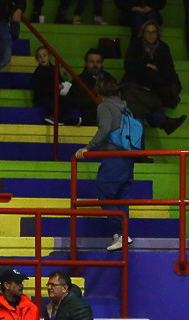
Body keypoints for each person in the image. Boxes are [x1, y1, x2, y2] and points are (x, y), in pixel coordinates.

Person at [74, 75, 135, 252]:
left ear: (100, 93)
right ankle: (121, 235)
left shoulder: (105, 106)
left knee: (105, 194)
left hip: (113, 157)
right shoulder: (125, 107)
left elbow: (104, 128)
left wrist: (88, 147)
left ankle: (122, 233)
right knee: (122, 197)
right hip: (128, 158)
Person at [121, 21, 186, 134]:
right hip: (137, 85)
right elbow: (128, 65)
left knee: (139, 115)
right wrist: (146, 66)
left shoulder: (163, 47)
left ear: (158, 33)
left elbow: (169, 68)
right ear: (143, 33)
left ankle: (162, 122)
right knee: (139, 112)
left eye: (153, 32)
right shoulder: (135, 46)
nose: (151, 35)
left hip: (155, 86)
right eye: (148, 32)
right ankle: (164, 122)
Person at [31, 46, 78, 126]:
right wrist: (55, 88)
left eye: (44, 55)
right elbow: (41, 89)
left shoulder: (54, 69)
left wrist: (63, 85)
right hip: (43, 97)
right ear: (37, 59)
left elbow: (60, 80)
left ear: (49, 56)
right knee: (53, 102)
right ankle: (62, 120)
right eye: (40, 57)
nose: (42, 58)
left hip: (54, 95)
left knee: (68, 101)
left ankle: (57, 119)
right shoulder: (38, 72)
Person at [68, 49, 109, 127]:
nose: (95, 65)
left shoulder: (109, 79)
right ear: (86, 63)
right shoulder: (78, 80)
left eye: (98, 62)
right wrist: (96, 99)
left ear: (102, 63)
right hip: (88, 115)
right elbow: (75, 101)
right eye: (91, 61)